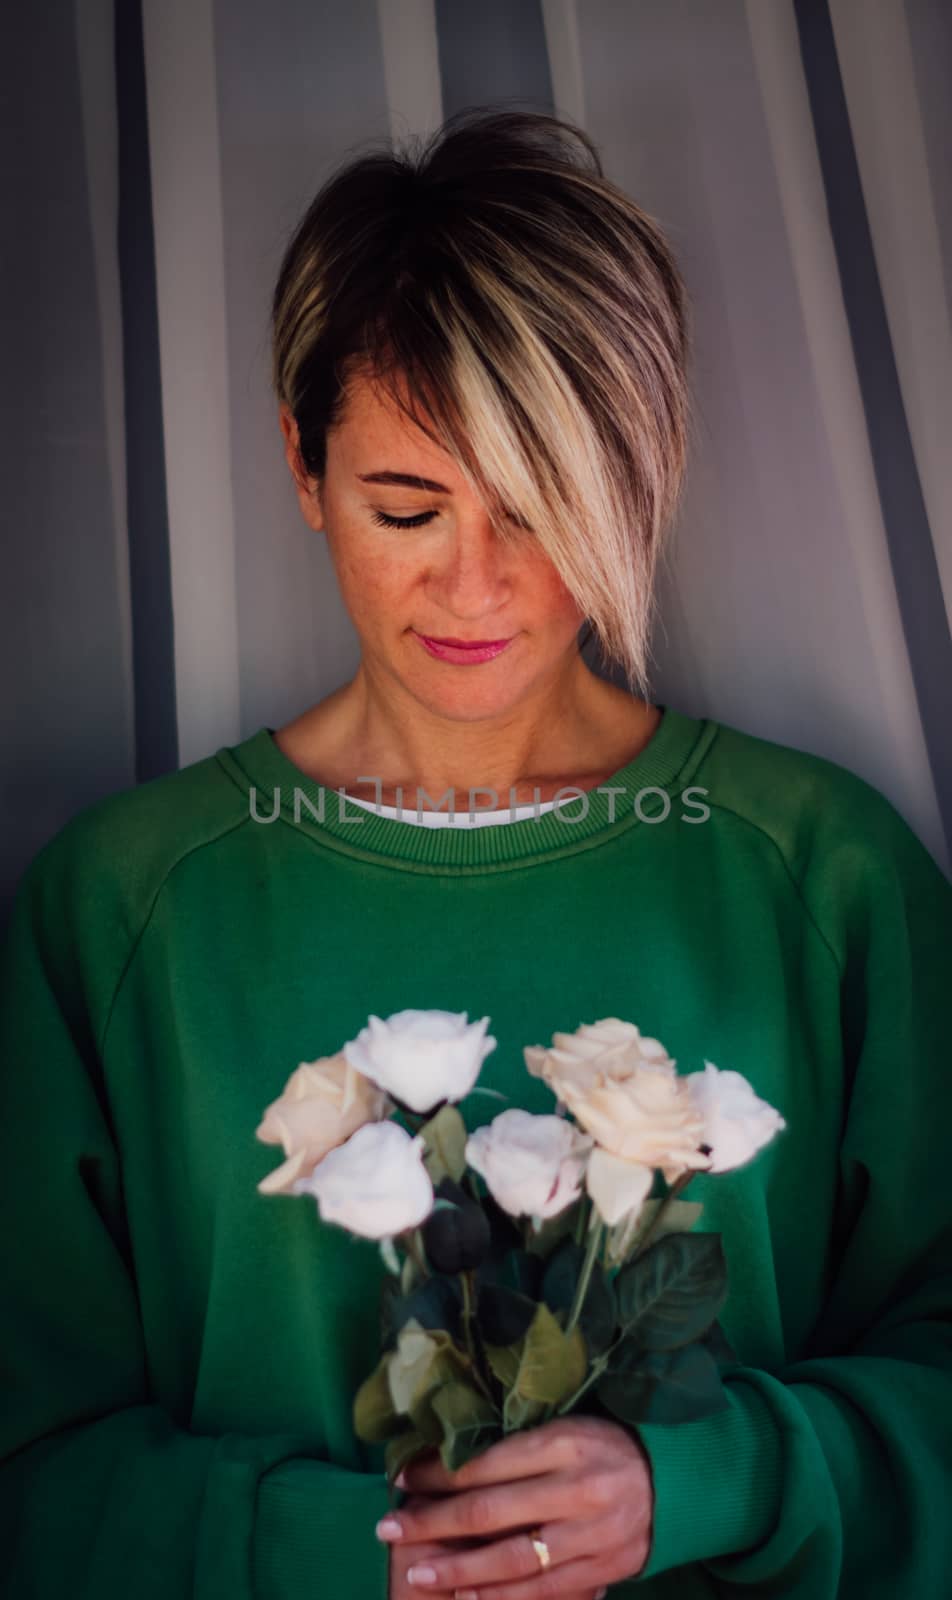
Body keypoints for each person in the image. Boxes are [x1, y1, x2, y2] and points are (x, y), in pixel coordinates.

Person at [1, 105, 950, 1600]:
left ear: (639, 478)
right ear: (303, 466)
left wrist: (702, 1482)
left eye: (543, 506)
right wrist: (367, 1557)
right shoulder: (122, 911)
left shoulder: (826, 877)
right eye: (405, 505)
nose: (476, 584)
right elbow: (30, 1474)